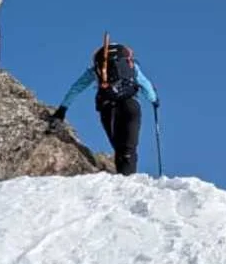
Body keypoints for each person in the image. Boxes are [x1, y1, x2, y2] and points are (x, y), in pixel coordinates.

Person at [52, 40, 158, 175]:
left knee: (119, 147)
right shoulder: (132, 66)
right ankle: (128, 178)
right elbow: (146, 85)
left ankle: (123, 178)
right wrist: (155, 101)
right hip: (131, 105)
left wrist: (62, 109)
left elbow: (76, 88)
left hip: (108, 107)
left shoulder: (95, 69)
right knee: (129, 147)